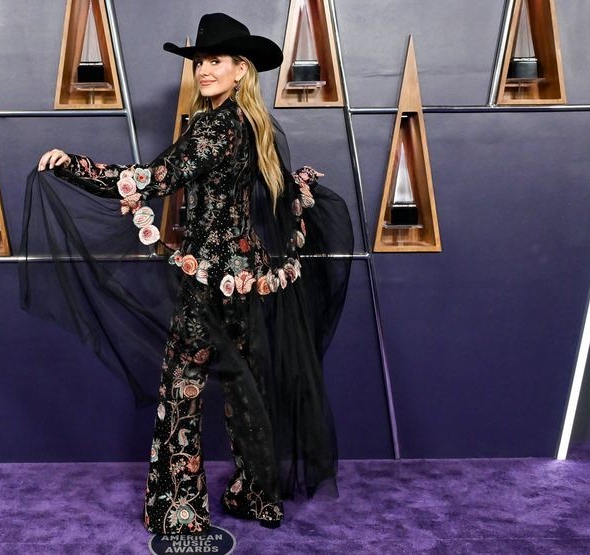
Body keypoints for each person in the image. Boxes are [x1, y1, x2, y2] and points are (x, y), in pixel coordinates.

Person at [25, 13, 353, 534]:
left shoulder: (216, 127)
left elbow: (153, 178)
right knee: (244, 389)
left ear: (240, 69)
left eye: (215, 61)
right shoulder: (253, 128)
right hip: (246, 282)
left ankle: (180, 510)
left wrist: (73, 166)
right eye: (199, 61)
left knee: (183, 389)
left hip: (209, 287)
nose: (203, 70)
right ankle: (257, 497)